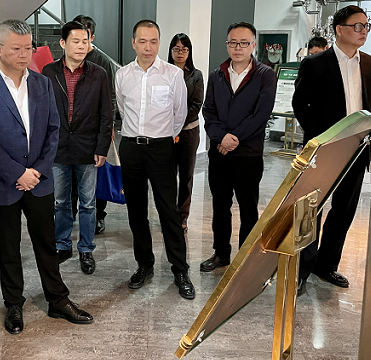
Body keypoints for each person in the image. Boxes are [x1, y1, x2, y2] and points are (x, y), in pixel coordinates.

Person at [0, 19, 93, 336]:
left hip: (39, 180)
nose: (25, 54)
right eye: (16, 49)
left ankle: (57, 300)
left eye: (28, 48)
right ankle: (13, 304)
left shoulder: (41, 83)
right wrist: (17, 174)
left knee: (46, 244)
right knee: (8, 247)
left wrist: (36, 171)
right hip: (3, 182)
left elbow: (53, 130)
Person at [292, 5, 371, 295]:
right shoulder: (316, 63)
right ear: (339, 30)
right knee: (312, 210)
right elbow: (300, 104)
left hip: (357, 149)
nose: (363, 31)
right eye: (357, 26)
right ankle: (302, 270)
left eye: (366, 26)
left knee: (344, 210)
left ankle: (326, 264)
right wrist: (320, 140)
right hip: (325, 150)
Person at [115, 20, 195, 299]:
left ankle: (180, 269)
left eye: (153, 41)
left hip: (161, 148)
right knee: (136, 211)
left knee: (168, 210)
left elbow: (179, 114)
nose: (148, 47)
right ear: (133, 43)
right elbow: (123, 110)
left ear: (159, 42)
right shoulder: (123, 75)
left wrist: (162, 138)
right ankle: (144, 264)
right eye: (142, 41)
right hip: (131, 148)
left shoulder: (173, 74)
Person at [200, 22, 278, 272]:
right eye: (233, 42)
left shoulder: (265, 75)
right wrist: (220, 138)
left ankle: (245, 260)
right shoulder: (217, 75)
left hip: (248, 154)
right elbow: (209, 111)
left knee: (248, 207)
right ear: (227, 45)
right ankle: (221, 253)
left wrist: (233, 139)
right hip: (219, 153)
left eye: (244, 43)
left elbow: (261, 115)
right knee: (220, 206)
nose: (238, 47)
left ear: (253, 45)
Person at [42, 21, 113, 274]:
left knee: (88, 203)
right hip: (58, 148)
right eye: (76, 41)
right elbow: (42, 111)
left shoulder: (98, 74)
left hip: (88, 148)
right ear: (63, 43)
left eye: (85, 41)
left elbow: (107, 113)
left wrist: (102, 147)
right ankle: (62, 244)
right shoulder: (48, 72)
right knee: (61, 201)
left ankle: (86, 248)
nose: (82, 46)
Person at [73, 15, 121, 235]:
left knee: (98, 174)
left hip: (95, 128)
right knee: (71, 175)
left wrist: (108, 127)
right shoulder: (66, 60)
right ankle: (70, 215)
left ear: (92, 37)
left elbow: (110, 97)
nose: (81, 42)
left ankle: (98, 216)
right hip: (71, 131)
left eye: (85, 36)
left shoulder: (102, 62)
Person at [167, 33, 204, 232]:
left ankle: (182, 216)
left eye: (184, 49)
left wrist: (177, 124)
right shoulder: (163, 73)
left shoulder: (195, 75)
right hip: (165, 133)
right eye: (177, 48)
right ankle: (169, 215)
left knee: (186, 176)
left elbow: (196, 105)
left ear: (189, 52)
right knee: (167, 176)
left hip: (188, 132)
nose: (180, 52)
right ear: (171, 51)